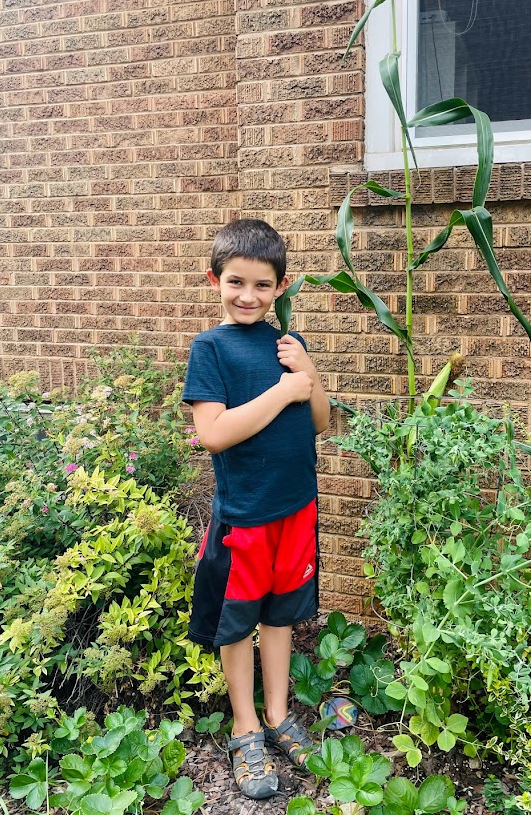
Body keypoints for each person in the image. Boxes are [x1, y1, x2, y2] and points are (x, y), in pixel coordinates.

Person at [182, 218, 330, 799]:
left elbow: (317, 421)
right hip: (244, 516)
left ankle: (276, 715)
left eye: (262, 285)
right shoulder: (210, 348)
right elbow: (215, 433)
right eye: (236, 282)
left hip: (295, 509)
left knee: (280, 617)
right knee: (238, 623)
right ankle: (245, 727)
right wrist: (283, 390)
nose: (248, 296)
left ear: (280, 286)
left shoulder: (288, 345)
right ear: (214, 278)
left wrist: (309, 377)